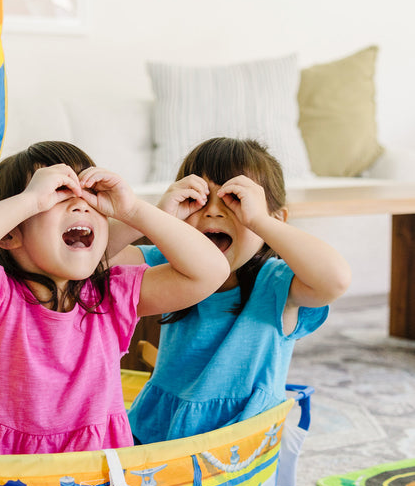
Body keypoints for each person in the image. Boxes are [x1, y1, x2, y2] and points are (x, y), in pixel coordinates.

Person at [0, 140, 230, 455]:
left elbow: (210, 272)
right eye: (58, 195)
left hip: (88, 465)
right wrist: (31, 199)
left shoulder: (112, 296)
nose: (81, 204)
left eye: (90, 195)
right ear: (10, 233)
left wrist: (134, 210)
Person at [109, 137, 351, 444]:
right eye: (197, 200)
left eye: (234, 201)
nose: (213, 212)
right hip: (159, 433)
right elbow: (94, 261)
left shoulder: (276, 284)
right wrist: (152, 217)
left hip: (236, 447)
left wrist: (261, 220)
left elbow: (336, 279)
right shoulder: (170, 265)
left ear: (274, 222)